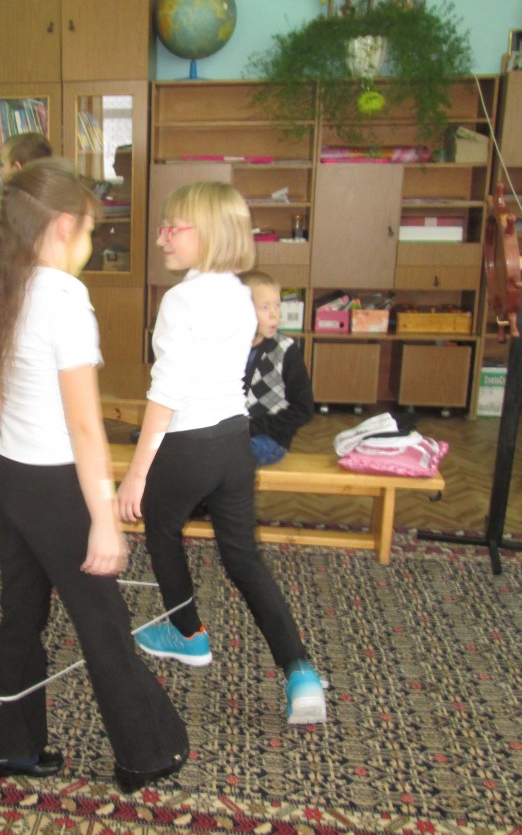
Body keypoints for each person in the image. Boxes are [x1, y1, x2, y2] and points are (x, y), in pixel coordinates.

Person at [0, 158, 189, 795]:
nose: (91, 242)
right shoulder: (64, 300)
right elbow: (86, 427)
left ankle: (6, 748)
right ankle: (146, 753)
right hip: (57, 488)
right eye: (92, 229)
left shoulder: (2, 289)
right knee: (103, 623)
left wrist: (30, 417)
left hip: (12, 479)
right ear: (64, 225)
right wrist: (103, 519)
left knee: (21, 617)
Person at [116, 181, 327, 726]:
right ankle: (300, 672)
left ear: (208, 234)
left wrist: (136, 473)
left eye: (173, 228)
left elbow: (166, 393)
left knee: (161, 527)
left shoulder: (181, 299)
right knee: (243, 558)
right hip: (235, 444)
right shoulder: (237, 292)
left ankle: (188, 634)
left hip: (190, 444)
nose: (161, 237)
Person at [239, 271, 314, 466]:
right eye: (265, 307)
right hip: (230, 434)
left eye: (277, 305)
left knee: (231, 460)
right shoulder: (229, 347)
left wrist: (251, 428)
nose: (274, 314)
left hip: (270, 438)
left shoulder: (286, 350)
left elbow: (304, 409)